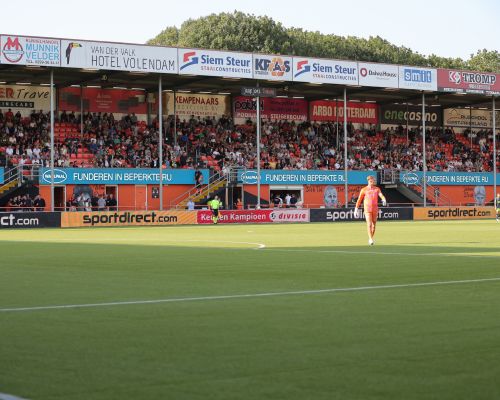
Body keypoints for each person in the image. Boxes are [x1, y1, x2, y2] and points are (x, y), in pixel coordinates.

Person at [354, 175, 387, 246]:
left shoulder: (377, 189)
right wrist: (356, 209)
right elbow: (359, 200)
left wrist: (384, 199)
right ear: (368, 181)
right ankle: (370, 239)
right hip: (367, 209)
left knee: (374, 225)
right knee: (369, 224)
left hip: (375, 209)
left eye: (373, 181)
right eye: (371, 181)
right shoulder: (364, 190)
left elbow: (381, 195)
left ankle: (371, 237)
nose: (372, 182)